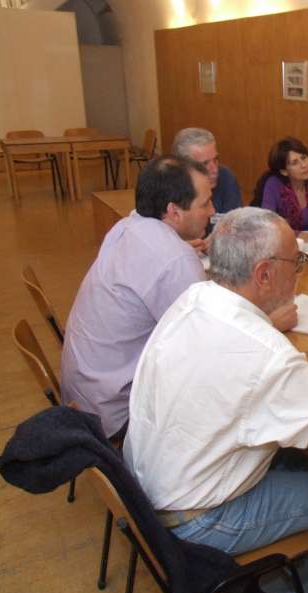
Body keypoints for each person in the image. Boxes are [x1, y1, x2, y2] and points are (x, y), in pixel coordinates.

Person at [123, 207, 308, 593]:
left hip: (147, 487)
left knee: (296, 447)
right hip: (195, 519)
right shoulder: (268, 354)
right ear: (264, 274)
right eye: (296, 260)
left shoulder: (193, 297)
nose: (300, 269)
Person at [61, 156, 213, 438]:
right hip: (115, 416)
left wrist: (179, 256)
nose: (212, 211)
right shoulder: (175, 260)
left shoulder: (127, 226)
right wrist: (268, 320)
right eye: (204, 203)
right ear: (174, 211)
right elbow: (206, 351)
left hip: (83, 396)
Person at [172, 127, 242, 246]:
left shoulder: (226, 178)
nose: (214, 170)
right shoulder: (167, 188)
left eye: (216, 160)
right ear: (183, 167)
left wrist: (218, 240)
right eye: (204, 164)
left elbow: (237, 227)